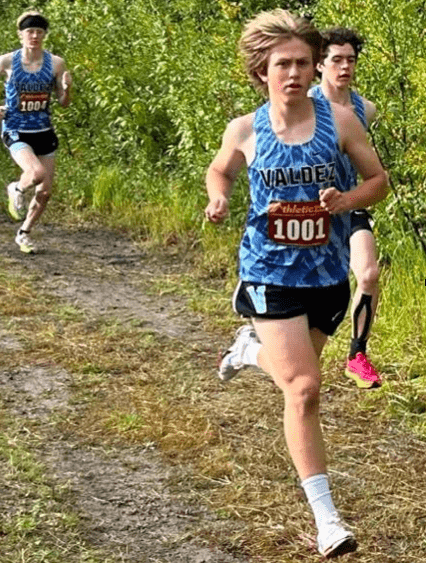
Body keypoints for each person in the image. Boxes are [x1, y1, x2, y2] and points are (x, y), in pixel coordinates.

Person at [205, 10, 387, 559]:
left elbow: (377, 182)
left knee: (295, 385)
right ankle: (327, 519)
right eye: (282, 63)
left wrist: (346, 201)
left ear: (314, 68)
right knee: (306, 389)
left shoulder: (341, 121)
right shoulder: (245, 129)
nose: (293, 73)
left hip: (326, 275)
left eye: (302, 63)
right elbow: (221, 169)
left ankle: (250, 350)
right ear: (262, 71)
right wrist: (218, 196)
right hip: (269, 272)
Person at [308, 28, 381, 389]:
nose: (345, 66)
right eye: (336, 59)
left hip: (348, 204)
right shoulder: (300, 103)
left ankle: (357, 354)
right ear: (319, 64)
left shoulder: (365, 109)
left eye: (350, 59)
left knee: (367, 273)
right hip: (304, 212)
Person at [0, 10, 72, 253]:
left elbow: (63, 102)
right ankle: (17, 188)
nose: (34, 36)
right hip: (15, 128)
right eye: (30, 32)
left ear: (44, 35)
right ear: (20, 35)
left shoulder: (55, 63)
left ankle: (24, 233)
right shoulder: (8, 61)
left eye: (39, 32)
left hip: (43, 130)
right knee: (37, 173)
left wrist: (66, 88)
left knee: (45, 192)